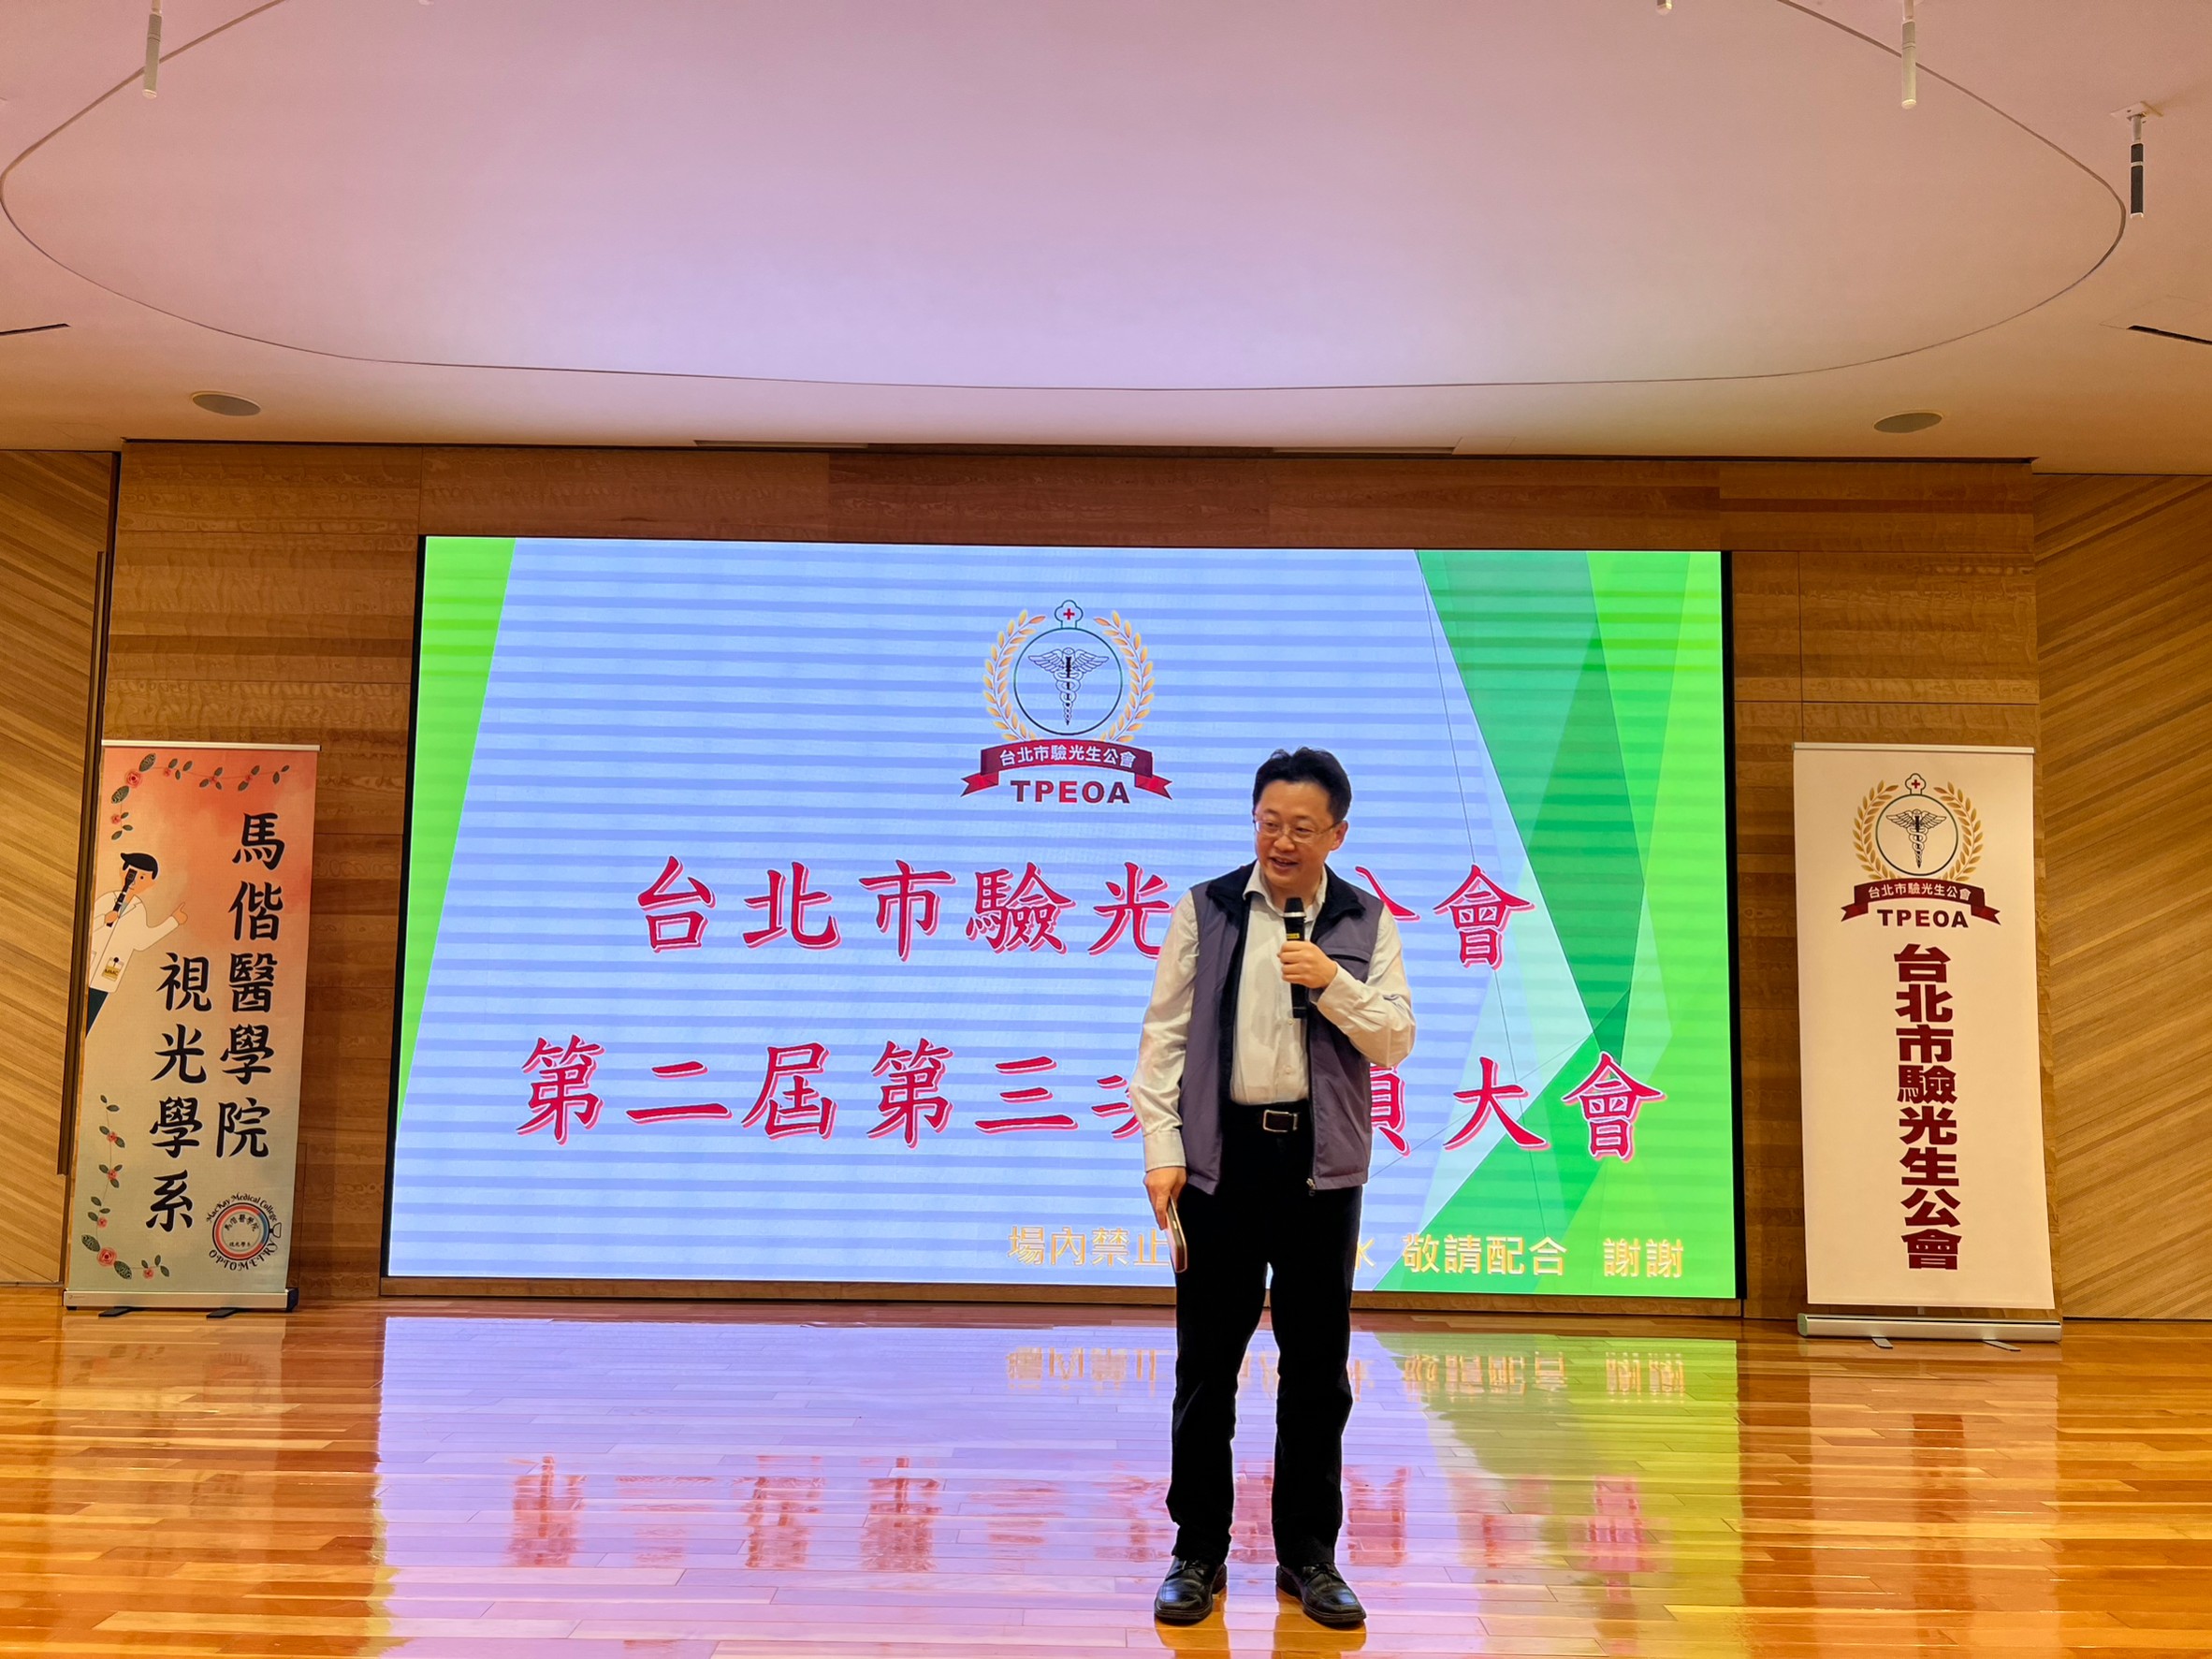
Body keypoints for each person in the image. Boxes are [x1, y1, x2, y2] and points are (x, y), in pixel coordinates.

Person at [1129, 747, 1415, 1629]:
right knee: (1206, 1366)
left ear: (1337, 833)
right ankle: (1197, 1550)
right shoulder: (1207, 908)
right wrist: (1162, 1147)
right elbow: (1164, 1036)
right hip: (1219, 1163)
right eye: (1268, 823)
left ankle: (1309, 1555)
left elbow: (1395, 1039)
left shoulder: (1365, 920)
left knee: (1318, 1370)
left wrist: (1331, 983)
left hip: (1320, 1171)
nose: (1282, 841)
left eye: (1301, 827)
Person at [85, 851, 185, 1029]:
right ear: (122, 872)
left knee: (88, 1021)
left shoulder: (138, 910)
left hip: (107, 974)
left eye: (142, 877)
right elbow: (86, 925)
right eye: (132, 874)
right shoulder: (108, 899)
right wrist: (103, 920)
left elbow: (141, 942)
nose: (134, 881)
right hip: (86, 967)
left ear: (150, 883)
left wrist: (173, 921)